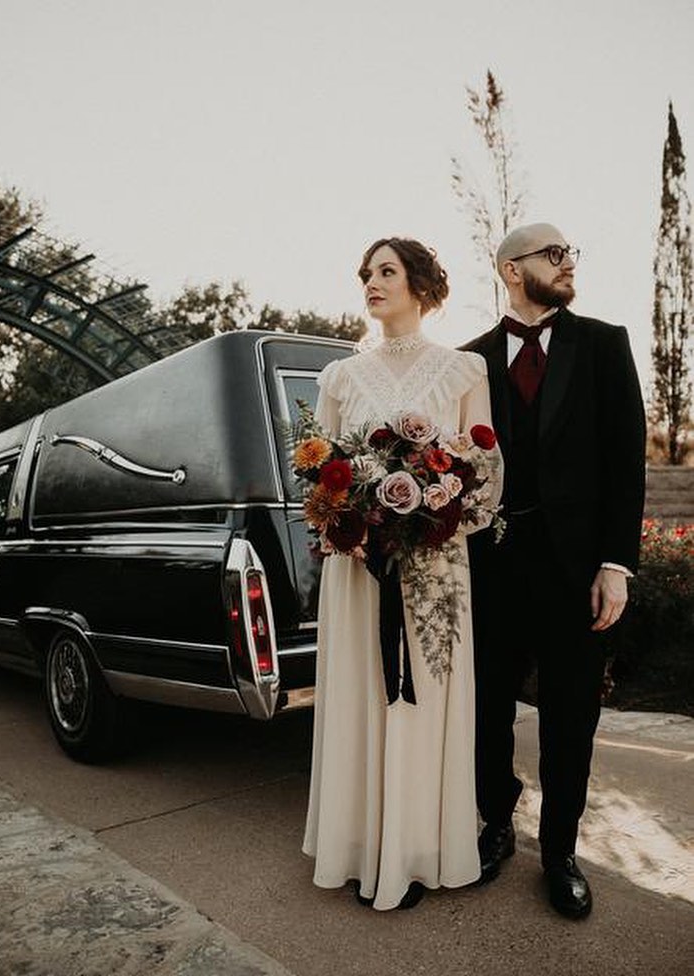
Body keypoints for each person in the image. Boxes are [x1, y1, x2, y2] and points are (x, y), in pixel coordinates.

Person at [302, 237, 502, 910]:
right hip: (358, 572)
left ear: (419, 284)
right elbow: (319, 475)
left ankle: (415, 852)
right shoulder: (339, 377)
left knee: (422, 707)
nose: (371, 281)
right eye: (366, 273)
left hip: (434, 571)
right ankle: (362, 849)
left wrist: (430, 518)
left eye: (386, 271)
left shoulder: (464, 370)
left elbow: (484, 474)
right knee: (362, 698)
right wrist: (352, 526)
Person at [464, 223, 646, 919]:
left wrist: (615, 564)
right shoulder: (468, 361)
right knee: (485, 707)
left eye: (570, 253)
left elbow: (624, 460)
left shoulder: (603, 345)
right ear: (513, 270)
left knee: (571, 716)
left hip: (576, 571)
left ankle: (560, 853)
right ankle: (495, 824)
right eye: (553, 253)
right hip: (491, 565)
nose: (567, 263)